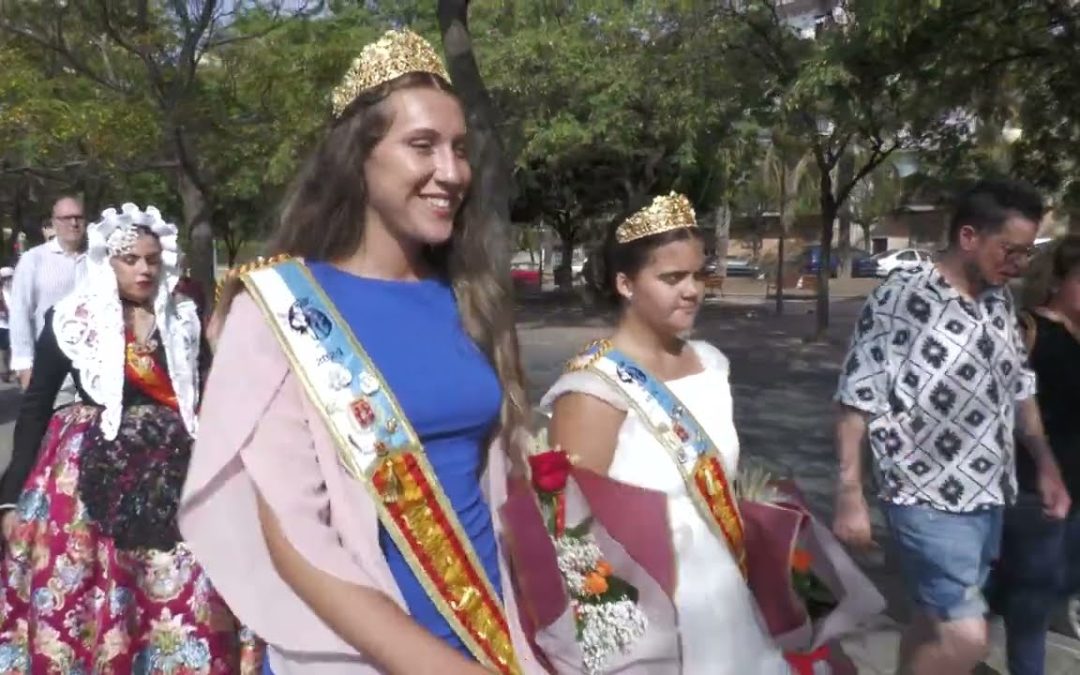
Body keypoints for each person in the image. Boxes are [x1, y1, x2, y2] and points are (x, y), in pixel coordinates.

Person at [179, 29, 543, 675]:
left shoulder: (468, 296)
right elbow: (295, 537)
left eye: (460, 149)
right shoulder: (278, 309)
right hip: (361, 652)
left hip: (496, 630)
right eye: (422, 145)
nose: (452, 172)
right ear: (359, 157)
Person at [540, 193, 791, 674]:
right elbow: (570, 534)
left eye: (699, 274)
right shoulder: (593, 390)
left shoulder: (711, 363)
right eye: (671, 278)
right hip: (649, 614)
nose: (692, 290)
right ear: (625, 283)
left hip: (727, 598)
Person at [0, 203, 253, 672]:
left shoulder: (182, 318)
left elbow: (206, 394)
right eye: (130, 259)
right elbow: (35, 409)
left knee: (181, 588)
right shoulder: (71, 320)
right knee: (96, 586)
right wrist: (10, 496)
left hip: (171, 474)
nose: (143, 269)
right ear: (107, 261)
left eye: (152, 259)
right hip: (87, 479)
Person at [832, 179, 1071, 675]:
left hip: (989, 495)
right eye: (1010, 250)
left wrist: (1046, 464)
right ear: (969, 237)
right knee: (965, 637)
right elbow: (859, 397)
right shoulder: (902, 296)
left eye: (1027, 253)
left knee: (931, 620)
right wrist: (849, 492)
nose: (1020, 265)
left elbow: (1019, 389)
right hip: (924, 497)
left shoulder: (999, 303)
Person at [994, 234, 1080, 675]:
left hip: (1075, 493)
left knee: (1059, 586)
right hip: (1032, 490)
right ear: (1058, 282)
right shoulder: (1027, 331)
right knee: (1031, 604)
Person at [9, 196, 87, 392]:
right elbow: (20, 313)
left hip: (94, 369)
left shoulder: (99, 258)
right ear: (54, 222)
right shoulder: (33, 260)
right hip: (51, 370)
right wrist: (24, 364)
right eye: (66, 218)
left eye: (78, 217)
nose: (74, 223)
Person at [0, 266, 13, 382]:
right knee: (4, 349)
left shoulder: (18, 291)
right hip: (3, 325)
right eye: (5, 278)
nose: (8, 280)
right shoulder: (1, 293)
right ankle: (5, 370)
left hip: (16, 325)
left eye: (10, 277)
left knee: (13, 348)